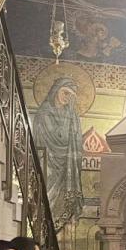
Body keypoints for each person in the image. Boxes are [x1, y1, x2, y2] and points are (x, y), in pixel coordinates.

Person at [33, 77, 84, 229]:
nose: (66, 97)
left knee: (64, 200)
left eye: (70, 95)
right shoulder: (44, 113)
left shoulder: (72, 115)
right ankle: (44, 226)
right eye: (65, 92)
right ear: (56, 91)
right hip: (48, 162)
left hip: (67, 165)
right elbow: (49, 137)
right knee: (47, 196)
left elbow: (75, 139)